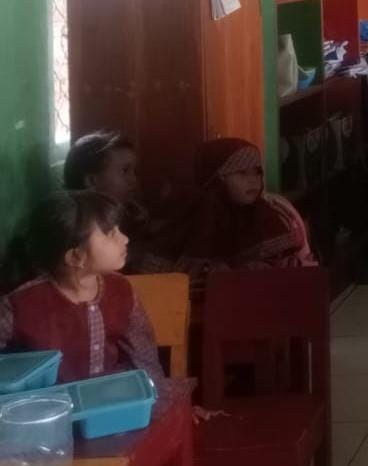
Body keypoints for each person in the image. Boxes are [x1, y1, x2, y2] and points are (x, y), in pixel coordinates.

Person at [0, 192, 165, 384]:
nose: (125, 239)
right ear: (76, 257)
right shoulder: (20, 304)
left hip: (111, 396)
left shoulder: (121, 289)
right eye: (111, 234)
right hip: (49, 401)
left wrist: (154, 393)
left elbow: (144, 357)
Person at [186, 138, 317, 275]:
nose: (253, 180)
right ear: (218, 178)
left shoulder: (274, 212)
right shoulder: (201, 219)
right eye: (242, 172)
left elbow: (298, 268)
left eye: (257, 172)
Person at [62, 131, 169, 275]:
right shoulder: (78, 225)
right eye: (124, 171)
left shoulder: (132, 211)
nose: (133, 180)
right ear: (92, 181)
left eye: (134, 171)